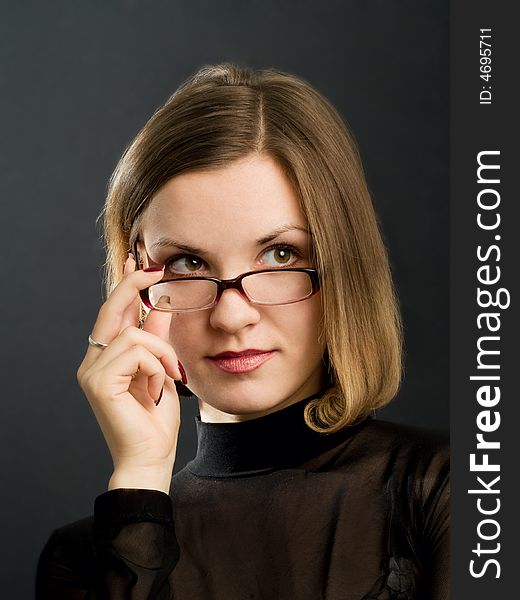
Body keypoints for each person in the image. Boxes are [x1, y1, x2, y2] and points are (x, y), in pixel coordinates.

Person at [36, 63, 449, 599]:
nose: (232, 317)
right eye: (187, 263)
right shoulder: (88, 560)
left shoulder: (458, 491)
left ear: (342, 266)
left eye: (281, 255)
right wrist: (140, 478)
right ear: (135, 277)